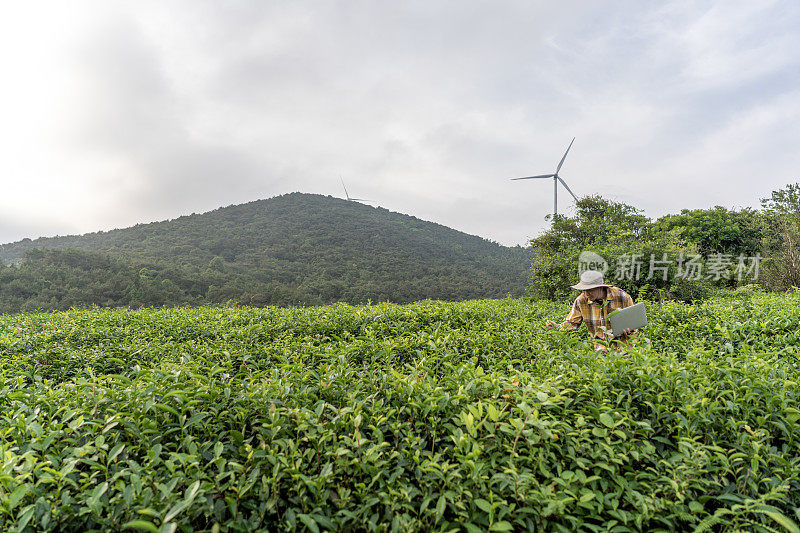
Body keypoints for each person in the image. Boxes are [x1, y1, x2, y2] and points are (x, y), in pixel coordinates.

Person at [545, 270, 637, 350]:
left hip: (623, 345)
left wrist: (630, 329)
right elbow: (572, 323)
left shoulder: (622, 297)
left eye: (589, 290)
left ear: (600, 287)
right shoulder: (581, 301)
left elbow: (635, 322)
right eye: (583, 290)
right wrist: (557, 327)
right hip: (601, 348)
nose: (586, 294)